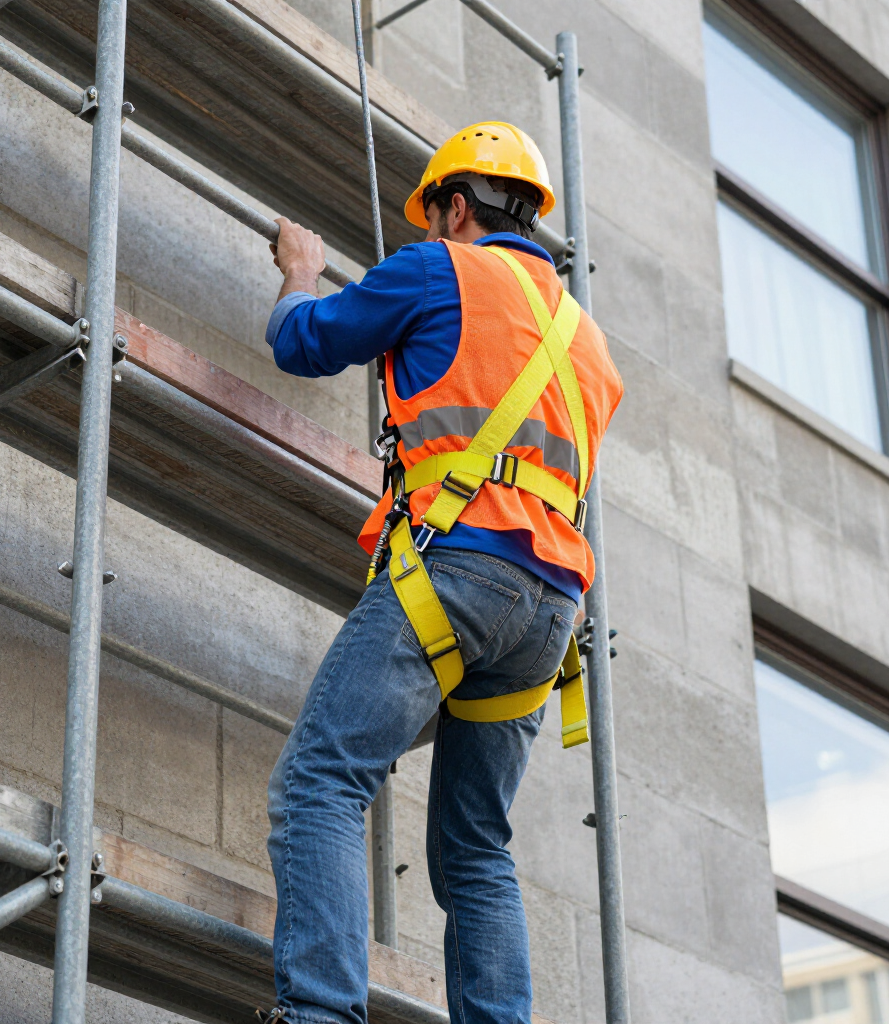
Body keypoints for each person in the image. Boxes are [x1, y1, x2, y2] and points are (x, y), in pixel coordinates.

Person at [263, 122, 623, 1024]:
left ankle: (320, 1015)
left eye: (437, 218)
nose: (430, 233)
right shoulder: (589, 342)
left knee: (321, 779)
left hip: (457, 573)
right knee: (474, 848)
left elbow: (304, 342)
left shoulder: (437, 271)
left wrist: (298, 271)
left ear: (458, 207)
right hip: (550, 618)